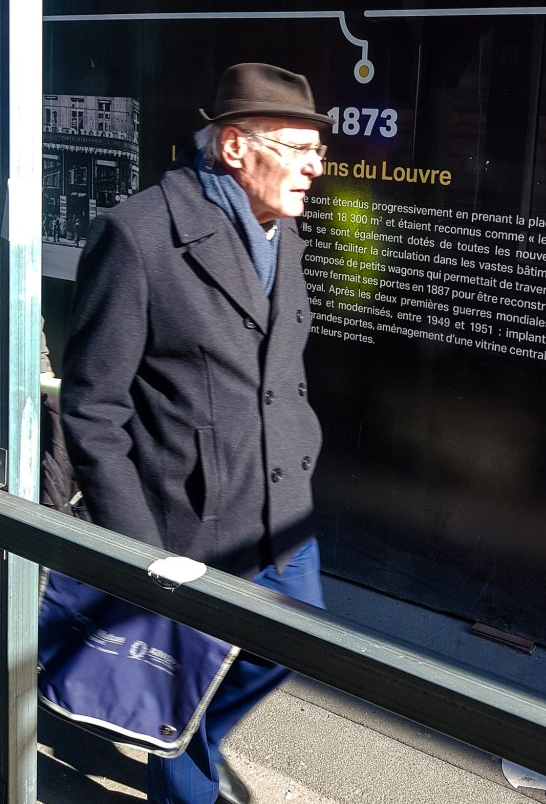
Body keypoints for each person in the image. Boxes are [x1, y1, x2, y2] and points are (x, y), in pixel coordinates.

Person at [61, 62, 331, 804]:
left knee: (294, 643)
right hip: (190, 521)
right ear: (237, 148)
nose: (315, 167)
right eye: (299, 149)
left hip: (283, 512)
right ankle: (183, 777)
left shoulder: (282, 233)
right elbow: (93, 408)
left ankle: (180, 743)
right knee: (183, 674)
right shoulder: (139, 234)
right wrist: (138, 551)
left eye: (319, 151)